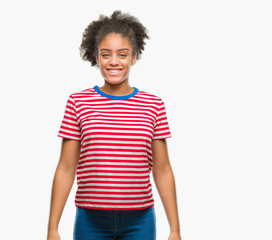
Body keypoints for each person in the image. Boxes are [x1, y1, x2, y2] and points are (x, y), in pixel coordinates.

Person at [47, 10, 181, 240]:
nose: (114, 62)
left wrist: (175, 230)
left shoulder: (154, 105)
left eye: (122, 54)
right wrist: (52, 228)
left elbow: (163, 169)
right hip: (90, 220)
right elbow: (66, 168)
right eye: (106, 54)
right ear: (97, 57)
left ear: (134, 57)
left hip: (140, 221)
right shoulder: (78, 103)